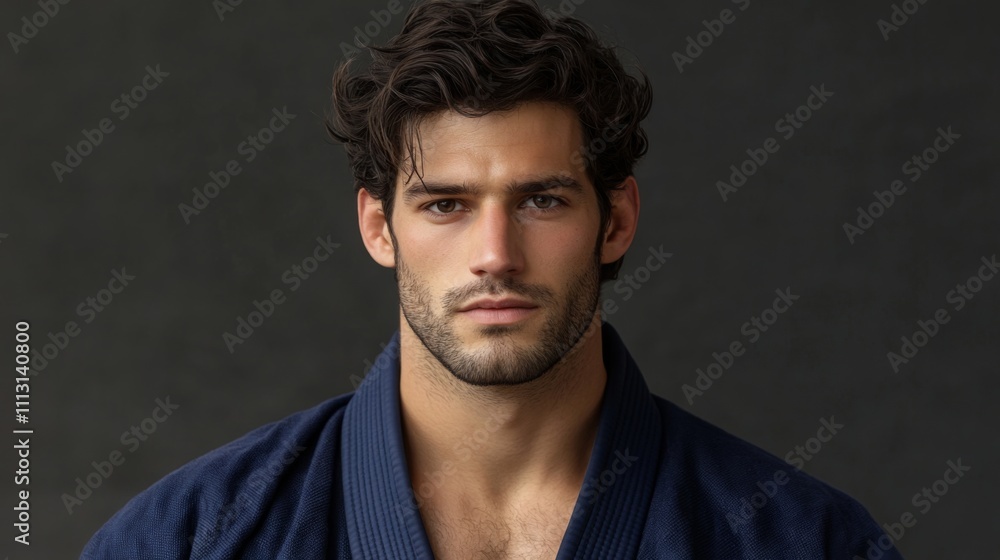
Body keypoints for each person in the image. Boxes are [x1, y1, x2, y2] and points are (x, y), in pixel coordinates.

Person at [83, 0, 904, 558]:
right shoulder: (186, 540)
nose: (494, 254)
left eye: (542, 200)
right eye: (445, 205)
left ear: (616, 220)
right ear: (379, 227)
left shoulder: (803, 539)